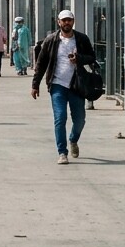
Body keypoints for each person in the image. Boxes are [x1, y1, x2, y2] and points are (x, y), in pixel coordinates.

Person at [31, 9, 96, 164]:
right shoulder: (51, 40)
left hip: (76, 85)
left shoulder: (81, 39)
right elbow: (41, 64)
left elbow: (92, 57)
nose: (67, 23)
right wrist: (35, 84)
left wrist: (79, 59)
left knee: (80, 120)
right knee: (60, 118)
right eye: (64, 20)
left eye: (69, 20)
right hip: (57, 85)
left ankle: (73, 139)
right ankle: (62, 152)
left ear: (73, 21)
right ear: (58, 22)